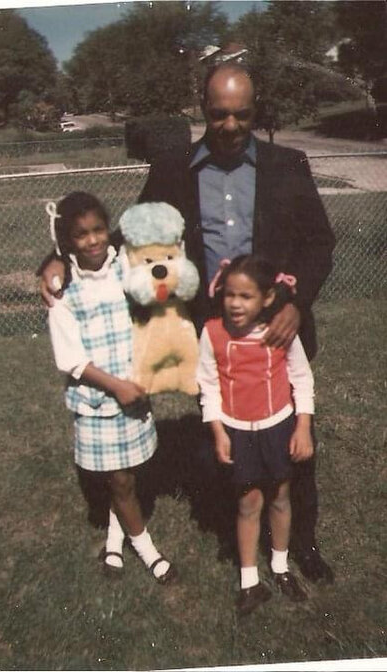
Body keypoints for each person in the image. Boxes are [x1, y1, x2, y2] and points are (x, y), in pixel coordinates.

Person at [39, 63, 335, 583]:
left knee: (291, 442)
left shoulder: (288, 164)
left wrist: (296, 302)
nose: (230, 124)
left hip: (277, 332)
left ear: (254, 109)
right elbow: (132, 239)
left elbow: (318, 244)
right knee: (224, 439)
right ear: (203, 109)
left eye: (242, 113)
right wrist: (58, 258)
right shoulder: (174, 168)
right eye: (219, 114)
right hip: (212, 339)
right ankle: (235, 536)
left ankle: (301, 544)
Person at [47, 190, 176, 584]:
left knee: (128, 474)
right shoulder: (63, 287)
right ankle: (147, 549)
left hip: (132, 390)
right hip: (98, 398)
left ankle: (115, 537)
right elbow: (70, 358)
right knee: (117, 479)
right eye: (82, 234)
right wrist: (115, 386)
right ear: (68, 241)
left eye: (99, 230)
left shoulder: (124, 268)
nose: (93, 240)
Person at [197, 254, 313, 616]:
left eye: (245, 297)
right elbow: (208, 386)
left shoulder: (280, 332)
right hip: (237, 431)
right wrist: (218, 431)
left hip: (277, 426)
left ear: (266, 298)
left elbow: (302, 378)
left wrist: (303, 427)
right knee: (249, 503)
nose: (235, 303)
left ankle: (280, 567)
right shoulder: (212, 332)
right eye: (230, 294)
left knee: (280, 497)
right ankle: (249, 581)